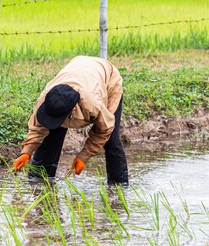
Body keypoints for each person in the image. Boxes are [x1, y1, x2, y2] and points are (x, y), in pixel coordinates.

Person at [12, 55, 128, 184]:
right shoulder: (46, 98)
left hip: (107, 78)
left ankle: (118, 188)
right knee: (51, 134)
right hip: (78, 68)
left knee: (111, 140)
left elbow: (104, 130)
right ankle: (39, 183)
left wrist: (84, 156)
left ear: (72, 110)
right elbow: (38, 127)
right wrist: (26, 152)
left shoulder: (93, 104)